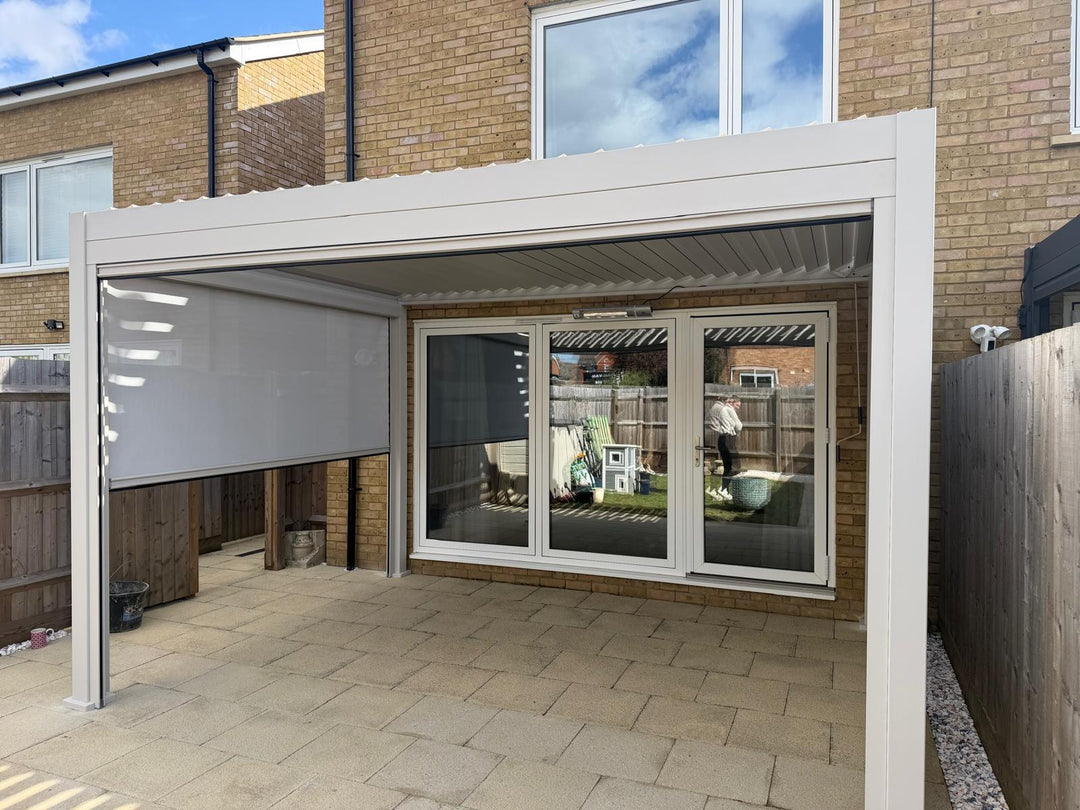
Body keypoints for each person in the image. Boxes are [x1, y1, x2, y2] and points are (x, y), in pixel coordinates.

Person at [708, 395, 742, 491]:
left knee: (728, 466)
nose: (737, 408)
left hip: (722, 438)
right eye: (737, 405)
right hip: (728, 437)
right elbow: (739, 426)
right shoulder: (728, 409)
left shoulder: (716, 408)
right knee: (735, 466)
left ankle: (720, 489)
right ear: (729, 401)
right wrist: (736, 430)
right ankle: (724, 489)